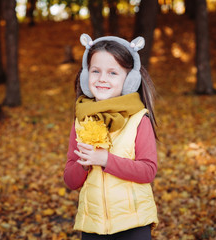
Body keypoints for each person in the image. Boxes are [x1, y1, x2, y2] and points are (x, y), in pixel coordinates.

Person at [64, 33, 159, 240]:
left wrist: (106, 160)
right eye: (95, 71)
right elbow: (70, 180)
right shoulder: (81, 120)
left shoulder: (138, 120)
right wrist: (84, 163)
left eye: (113, 73)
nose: (102, 79)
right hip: (93, 226)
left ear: (130, 80)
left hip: (134, 224)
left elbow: (148, 171)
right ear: (85, 76)